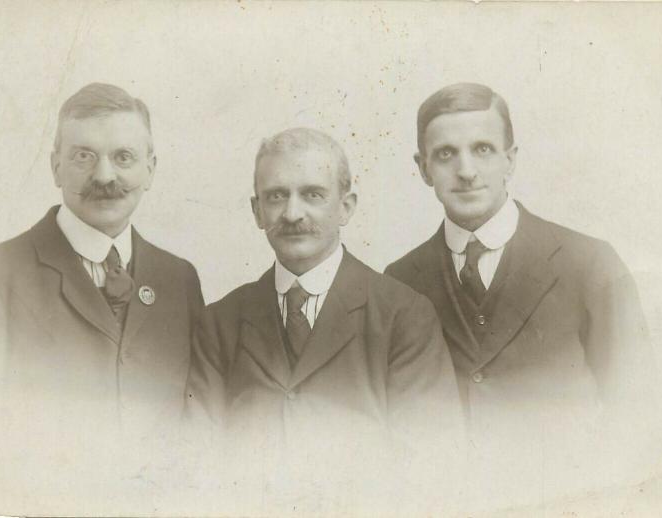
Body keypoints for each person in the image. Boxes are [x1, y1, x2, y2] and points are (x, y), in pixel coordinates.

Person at [385, 82, 655, 509]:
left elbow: (639, 416)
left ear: (511, 160)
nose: (467, 170)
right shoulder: (399, 283)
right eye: (446, 154)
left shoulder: (589, 264)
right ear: (422, 169)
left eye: (484, 149)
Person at [186, 127, 463, 513]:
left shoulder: (403, 314)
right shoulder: (220, 322)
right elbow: (197, 465)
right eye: (276, 196)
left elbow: (430, 467)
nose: (292, 213)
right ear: (257, 211)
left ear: (346, 206)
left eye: (313, 194)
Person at [0, 83, 204, 506]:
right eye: (83, 156)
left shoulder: (179, 279)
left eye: (123, 157)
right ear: (55, 168)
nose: (104, 176)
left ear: (150, 169)